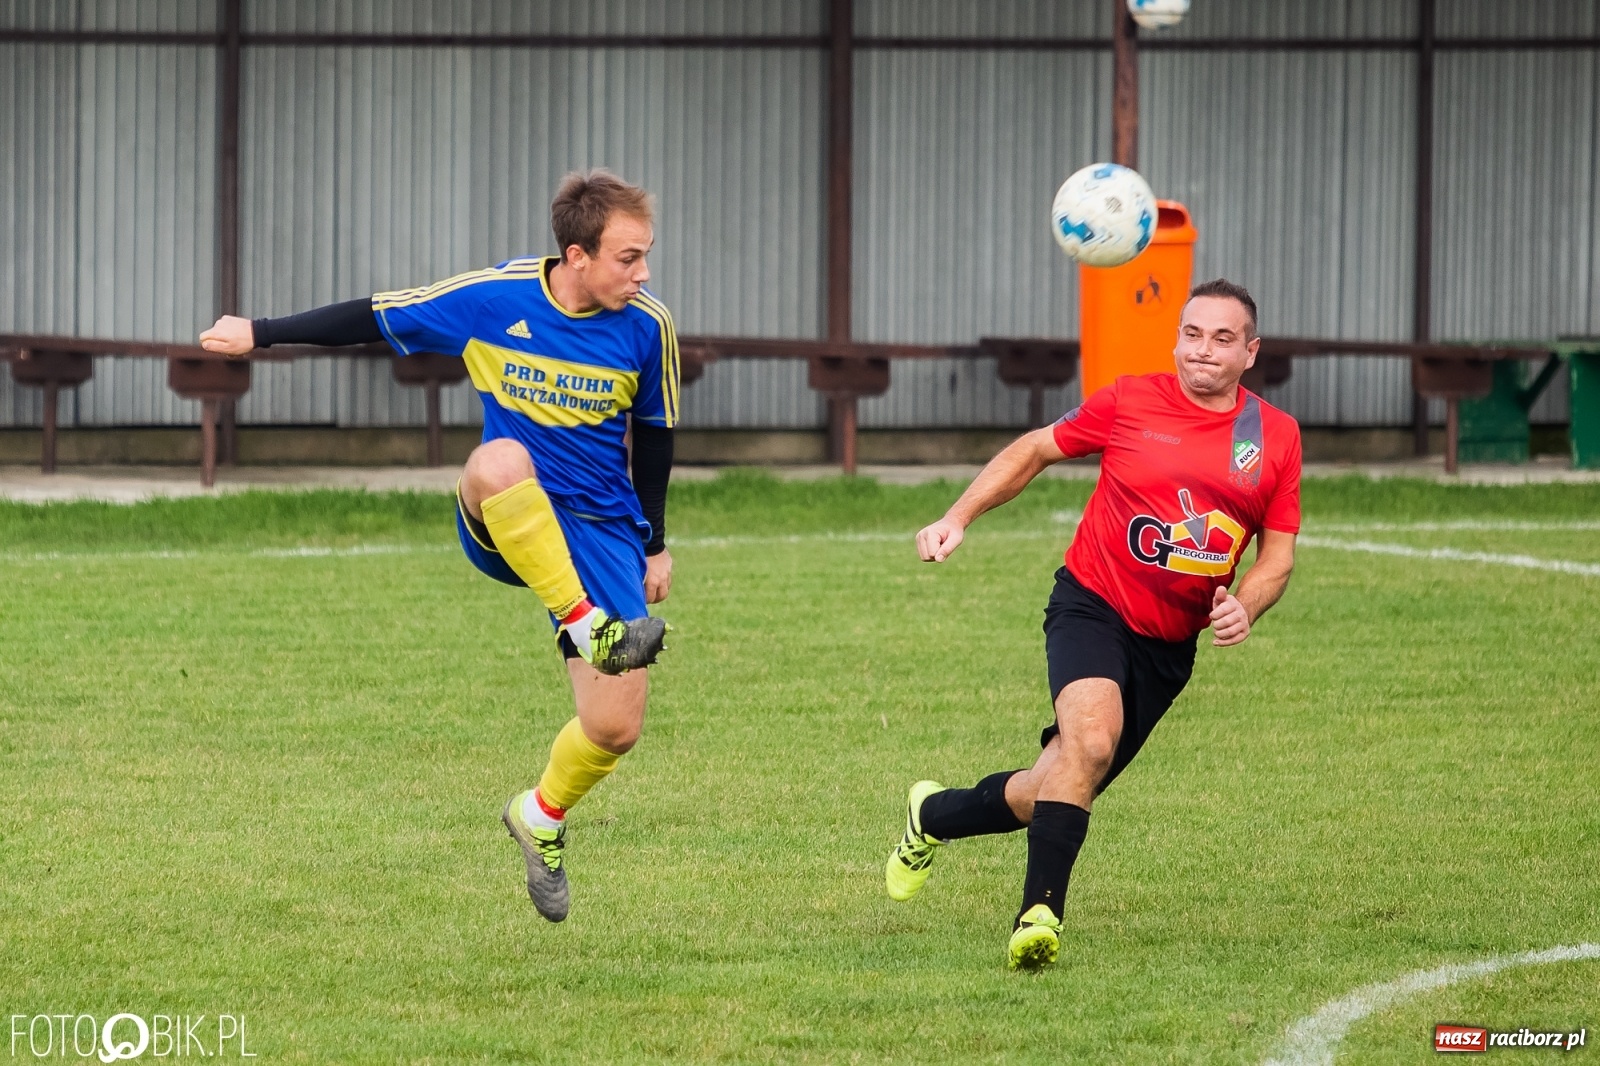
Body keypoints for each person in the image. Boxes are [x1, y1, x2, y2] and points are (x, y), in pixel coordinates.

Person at [199, 169, 679, 924]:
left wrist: (653, 545)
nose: (644, 271)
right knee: (497, 461)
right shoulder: (497, 298)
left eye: (646, 255)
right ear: (577, 255)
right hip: (508, 513)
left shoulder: (647, 328)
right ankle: (591, 628)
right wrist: (260, 332)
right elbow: (379, 312)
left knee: (614, 728)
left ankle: (541, 816)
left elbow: (654, 437)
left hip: (602, 530)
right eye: (629, 257)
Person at [886, 279, 1301, 969]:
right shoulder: (1132, 399)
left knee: (1053, 783)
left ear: (1250, 352)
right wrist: (956, 517)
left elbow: (1277, 555)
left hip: (1169, 648)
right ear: (1176, 338)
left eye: (1223, 339)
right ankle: (1037, 916)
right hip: (1092, 603)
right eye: (1192, 333)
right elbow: (1036, 449)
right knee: (1091, 738)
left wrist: (1245, 602)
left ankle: (930, 816)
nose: (1203, 351)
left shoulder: (1274, 437)